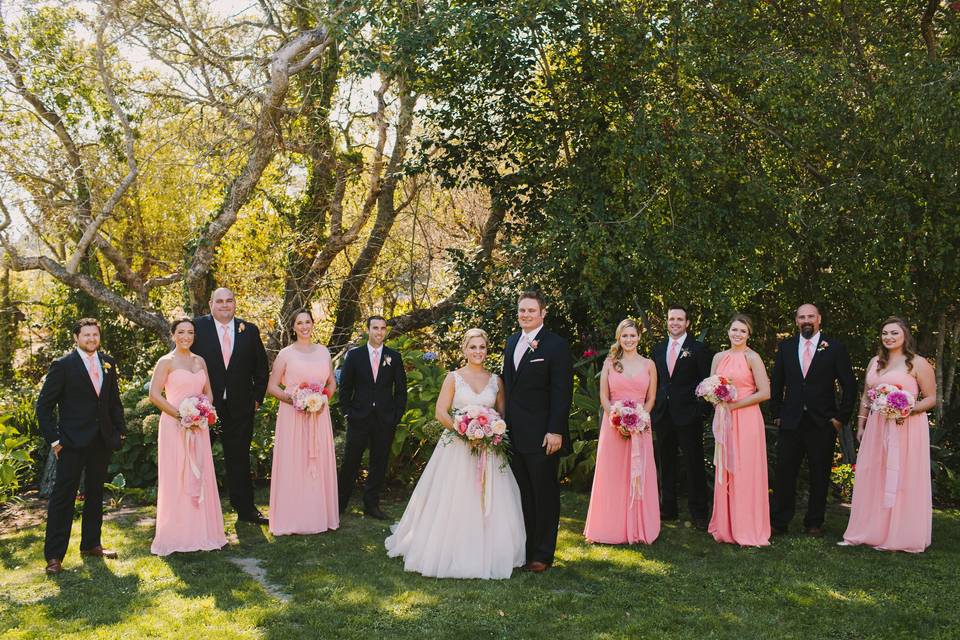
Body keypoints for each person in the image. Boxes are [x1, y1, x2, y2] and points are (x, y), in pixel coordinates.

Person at [385, 328, 525, 578]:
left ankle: (492, 549)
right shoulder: (453, 377)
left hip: (489, 449)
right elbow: (441, 411)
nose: (478, 352)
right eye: (473, 347)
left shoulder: (496, 380)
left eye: (482, 347)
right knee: (455, 497)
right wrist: (465, 432)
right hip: (458, 448)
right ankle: (449, 547)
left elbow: (502, 414)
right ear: (464, 349)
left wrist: (490, 431)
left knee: (489, 499)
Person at [36, 318, 126, 575]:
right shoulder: (63, 365)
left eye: (95, 335)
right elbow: (43, 406)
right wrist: (55, 440)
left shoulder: (108, 363)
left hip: (101, 441)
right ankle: (54, 556)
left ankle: (91, 544)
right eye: (86, 335)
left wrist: (119, 432)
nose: (91, 339)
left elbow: (113, 401)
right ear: (76, 337)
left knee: (96, 494)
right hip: (71, 443)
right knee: (63, 499)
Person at [840, 317, 936, 552]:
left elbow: (931, 398)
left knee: (903, 477)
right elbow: (866, 396)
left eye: (894, 333)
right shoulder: (875, 362)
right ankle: (867, 531)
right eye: (884, 333)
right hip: (877, 426)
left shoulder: (918, 363)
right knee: (874, 476)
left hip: (906, 427)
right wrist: (861, 425)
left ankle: (900, 535)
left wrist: (907, 409)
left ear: (904, 335)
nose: (889, 337)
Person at [501, 290, 574, 573]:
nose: (525, 315)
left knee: (544, 494)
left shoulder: (556, 346)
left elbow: (561, 392)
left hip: (543, 435)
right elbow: (509, 387)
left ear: (543, 313)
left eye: (531, 310)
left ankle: (543, 554)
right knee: (521, 495)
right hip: (513, 434)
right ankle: (525, 549)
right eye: (521, 310)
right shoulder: (511, 342)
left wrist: (555, 430)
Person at [770, 304, 856, 535]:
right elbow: (777, 382)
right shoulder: (786, 347)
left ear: (819, 319)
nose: (806, 320)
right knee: (785, 472)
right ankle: (779, 522)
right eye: (801, 317)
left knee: (820, 474)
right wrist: (777, 413)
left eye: (810, 316)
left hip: (823, 422)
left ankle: (814, 522)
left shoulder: (835, 347)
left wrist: (840, 418)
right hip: (791, 421)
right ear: (796, 321)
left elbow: (849, 385)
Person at [191, 288, 270, 525]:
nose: (225, 305)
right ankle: (196, 510)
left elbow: (261, 369)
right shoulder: (197, 328)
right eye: (220, 301)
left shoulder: (249, 330)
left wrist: (256, 398)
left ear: (235, 303)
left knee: (239, 458)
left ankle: (245, 509)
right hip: (204, 407)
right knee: (197, 457)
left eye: (229, 301)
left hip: (240, 406)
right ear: (210, 303)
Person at [149, 318, 227, 555]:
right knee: (178, 475)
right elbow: (154, 395)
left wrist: (203, 412)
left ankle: (204, 532)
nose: (186, 336)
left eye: (190, 332)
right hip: (175, 426)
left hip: (198, 427)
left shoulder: (199, 360)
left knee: (201, 472)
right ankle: (178, 534)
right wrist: (182, 416)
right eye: (181, 332)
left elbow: (209, 392)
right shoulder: (166, 362)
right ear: (173, 335)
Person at [584, 319, 660, 544]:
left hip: (640, 427)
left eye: (632, 335)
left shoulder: (649, 365)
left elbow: (652, 397)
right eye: (624, 336)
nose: (629, 340)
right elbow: (604, 397)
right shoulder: (610, 363)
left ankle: (638, 526)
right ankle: (609, 527)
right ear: (619, 338)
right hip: (613, 426)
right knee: (612, 475)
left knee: (638, 474)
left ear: (639, 337)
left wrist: (639, 420)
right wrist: (617, 420)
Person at [267, 310, 339, 535]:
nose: (304, 326)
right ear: (293, 327)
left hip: (319, 415)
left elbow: (332, 383)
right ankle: (293, 518)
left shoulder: (323, 351)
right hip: (293, 416)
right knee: (294, 462)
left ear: (313, 324)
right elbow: (271, 387)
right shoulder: (285, 354)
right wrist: (296, 400)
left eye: (308, 322)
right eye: (299, 323)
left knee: (318, 463)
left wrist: (321, 399)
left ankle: (319, 516)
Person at [708, 314, 771, 547]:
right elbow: (711, 386)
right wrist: (716, 399)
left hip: (746, 419)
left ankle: (747, 527)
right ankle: (725, 525)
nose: (737, 334)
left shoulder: (753, 357)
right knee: (726, 469)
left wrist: (734, 405)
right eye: (734, 330)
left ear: (748, 334)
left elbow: (765, 392)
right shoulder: (718, 357)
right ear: (728, 332)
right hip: (724, 419)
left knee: (745, 471)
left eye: (742, 331)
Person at [337, 316, 407, 519]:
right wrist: (347, 411)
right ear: (367, 329)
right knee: (351, 461)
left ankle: (372, 505)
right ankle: (340, 503)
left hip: (385, 419)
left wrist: (396, 414)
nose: (379, 332)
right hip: (359, 417)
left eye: (383, 328)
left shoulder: (394, 356)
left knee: (379, 461)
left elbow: (401, 390)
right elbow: (346, 387)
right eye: (375, 328)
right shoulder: (354, 356)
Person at [651, 305, 712, 529]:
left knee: (693, 463)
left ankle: (699, 513)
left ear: (687, 323)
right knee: (666, 463)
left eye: (679, 319)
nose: (674, 323)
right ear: (667, 322)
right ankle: (669, 508)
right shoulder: (658, 349)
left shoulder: (698, 349)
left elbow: (707, 382)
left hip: (689, 416)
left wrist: (701, 412)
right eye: (671, 319)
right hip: (663, 415)